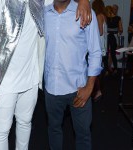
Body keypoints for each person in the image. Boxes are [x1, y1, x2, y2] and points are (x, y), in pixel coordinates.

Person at [0, 0, 91, 149]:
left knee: (25, 123)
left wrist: (84, 1)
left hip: (30, 78)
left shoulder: (40, 0)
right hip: (3, 81)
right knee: (1, 131)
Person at [44, 0, 102, 150]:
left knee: (83, 135)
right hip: (51, 88)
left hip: (79, 89)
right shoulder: (43, 14)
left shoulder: (85, 12)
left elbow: (95, 52)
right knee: (54, 130)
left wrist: (90, 87)